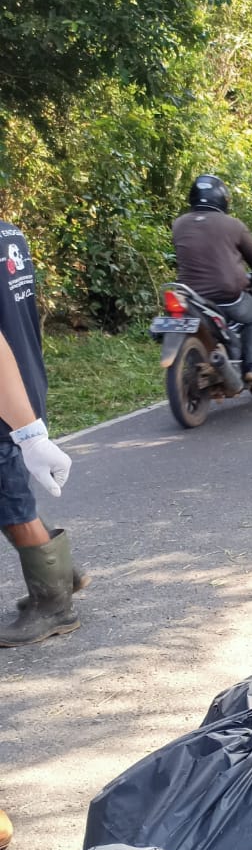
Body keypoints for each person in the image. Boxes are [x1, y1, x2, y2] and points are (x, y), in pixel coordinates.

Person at [0, 217, 80, 669]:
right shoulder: (10, 233)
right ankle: (61, 574)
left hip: (6, 401)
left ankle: (55, 605)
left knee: (10, 499)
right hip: (23, 384)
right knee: (10, 492)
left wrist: (27, 432)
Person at [171, 176, 252, 386]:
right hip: (226, 295)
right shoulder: (233, 225)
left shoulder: (179, 224)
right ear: (222, 199)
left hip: (190, 296)